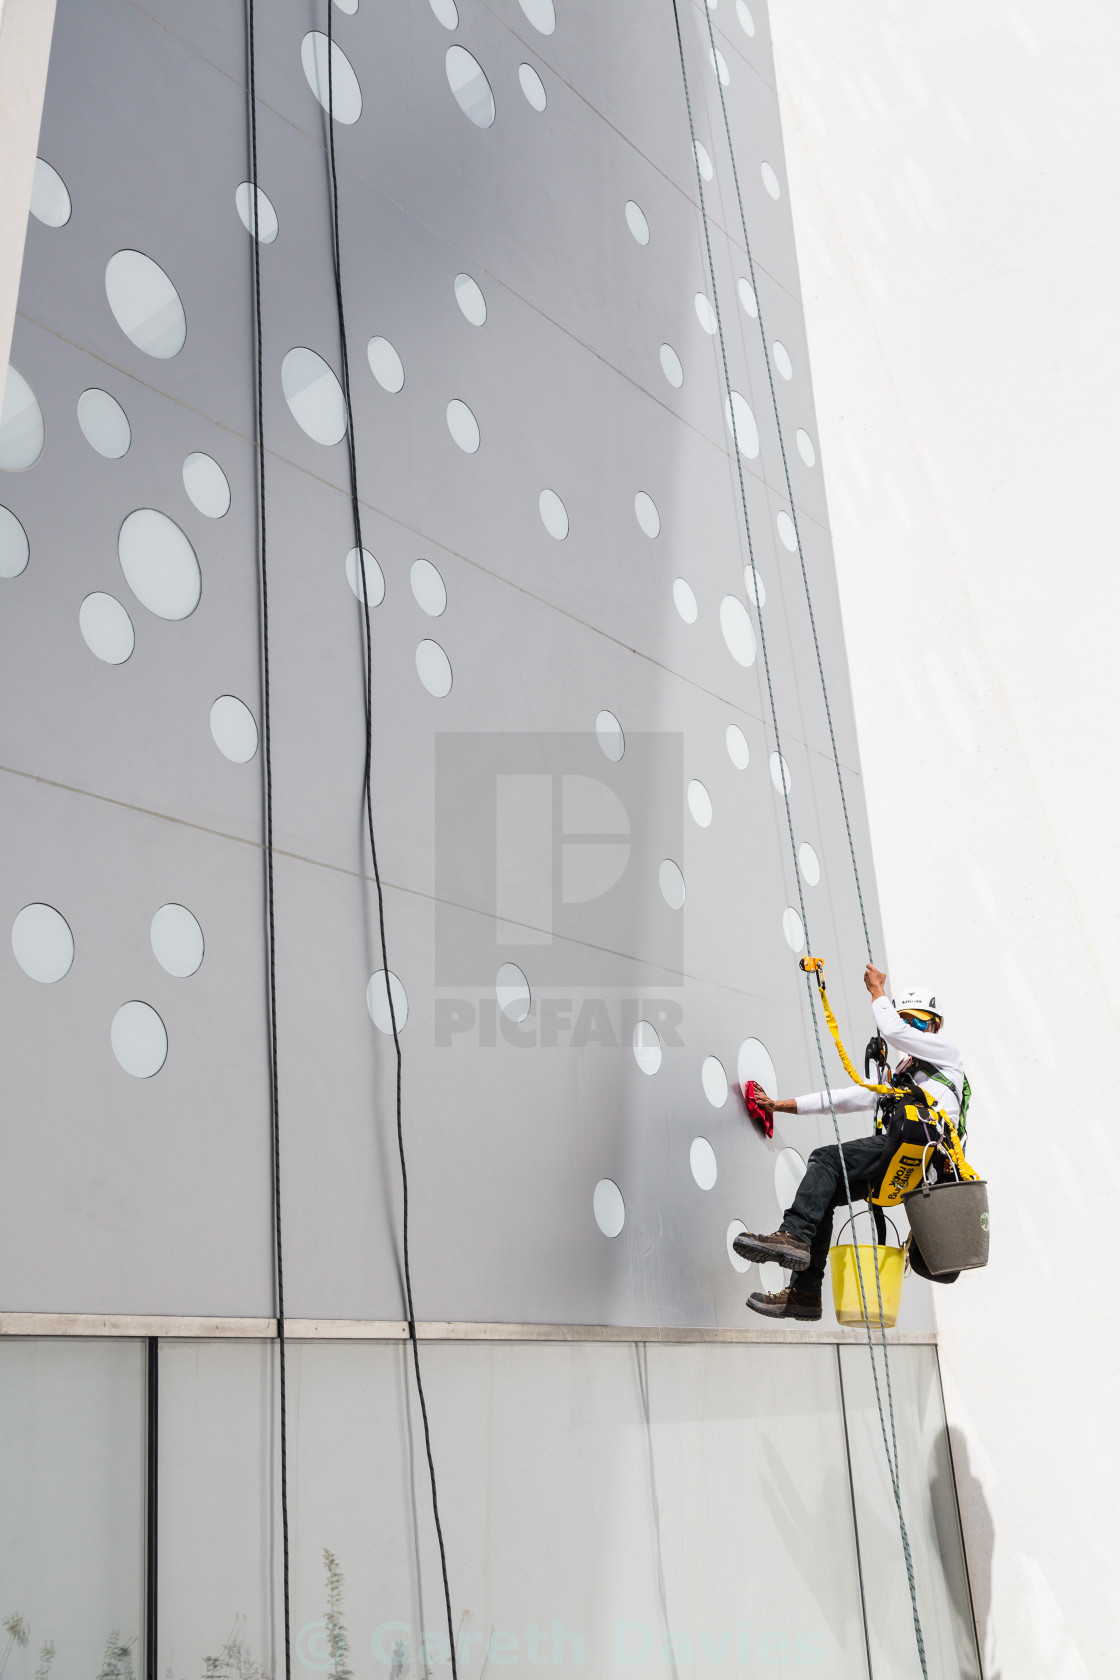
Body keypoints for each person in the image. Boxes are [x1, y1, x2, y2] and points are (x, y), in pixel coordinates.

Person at [734, 963, 967, 1321]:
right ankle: (804, 1294)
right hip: (904, 1158)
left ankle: (792, 1235)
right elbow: (846, 1098)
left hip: (924, 1152)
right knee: (825, 1191)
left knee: (825, 1159)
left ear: (935, 1026)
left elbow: (892, 1029)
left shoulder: (947, 1055)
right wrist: (780, 1105)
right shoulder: (902, 1076)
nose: (910, 1029)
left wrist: (876, 990)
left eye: (918, 1023)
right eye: (907, 1021)